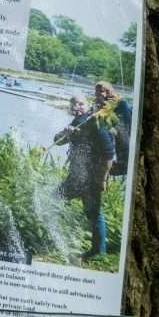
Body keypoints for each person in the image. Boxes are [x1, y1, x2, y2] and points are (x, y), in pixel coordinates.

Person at [55, 94, 115, 260]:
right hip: (76, 176)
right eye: (73, 104)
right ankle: (63, 238)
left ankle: (98, 252)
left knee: (93, 213)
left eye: (81, 104)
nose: (77, 107)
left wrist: (102, 179)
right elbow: (57, 140)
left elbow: (109, 155)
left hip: (93, 177)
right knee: (56, 199)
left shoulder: (96, 123)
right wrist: (66, 133)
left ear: (88, 106)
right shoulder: (76, 122)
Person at [93, 81, 133, 176]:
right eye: (96, 92)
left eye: (99, 92)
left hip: (124, 128)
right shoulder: (100, 103)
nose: (96, 95)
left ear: (107, 92)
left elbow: (123, 130)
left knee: (122, 134)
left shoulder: (121, 104)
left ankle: (124, 164)